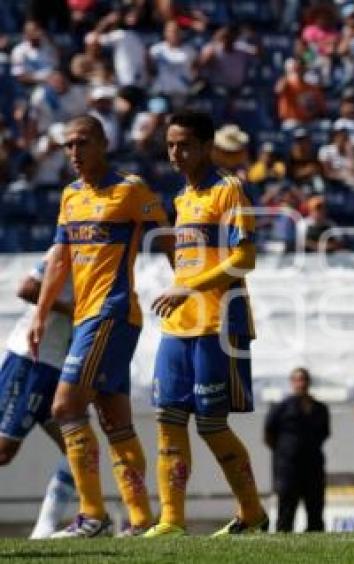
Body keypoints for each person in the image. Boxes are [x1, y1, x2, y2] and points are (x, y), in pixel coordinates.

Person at [28, 116, 168, 537]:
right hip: (87, 316)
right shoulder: (70, 196)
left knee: (65, 408)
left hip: (113, 312)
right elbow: (59, 259)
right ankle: (141, 520)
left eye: (82, 142)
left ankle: (92, 515)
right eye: (67, 144)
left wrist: (186, 286)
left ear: (104, 143)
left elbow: (166, 235)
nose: (73, 151)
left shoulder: (130, 189)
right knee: (114, 420)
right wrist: (40, 313)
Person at [145, 110, 268, 537]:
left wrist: (188, 287)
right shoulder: (182, 198)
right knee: (167, 416)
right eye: (171, 145)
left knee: (211, 423)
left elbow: (245, 259)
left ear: (206, 147)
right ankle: (171, 521)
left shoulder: (229, 190)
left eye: (185, 145)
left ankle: (252, 513)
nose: (176, 153)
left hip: (219, 322)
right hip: (179, 325)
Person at [0, 250, 77, 539]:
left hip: (57, 364)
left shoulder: (101, 254)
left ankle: (43, 532)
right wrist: (72, 310)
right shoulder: (65, 246)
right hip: (31, 359)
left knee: (78, 446)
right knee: (3, 452)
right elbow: (27, 288)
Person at [264, 367, 330, 533]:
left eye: (304, 380)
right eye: (297, 380)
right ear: (292, 383)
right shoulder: (281, 408)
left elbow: (324, 433)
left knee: (315, 507)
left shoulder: (320, 408)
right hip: (288, 468)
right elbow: (269, 434)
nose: (301, 384)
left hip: (313, 466)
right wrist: (285, 451)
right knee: (286, 508)